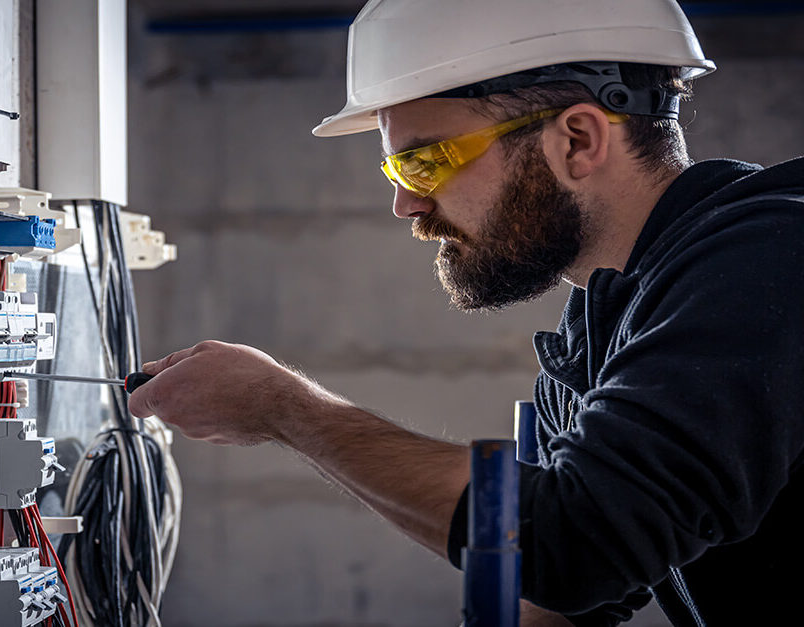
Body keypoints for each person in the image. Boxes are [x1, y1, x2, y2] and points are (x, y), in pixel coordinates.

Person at [127, 1, 804, 624]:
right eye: (397, 173)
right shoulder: (605, 321)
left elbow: (578, 541)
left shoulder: (771, 258)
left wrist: (286, 408)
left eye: (425, 163)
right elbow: (565, 591)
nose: (407, 205)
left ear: (577, 140)